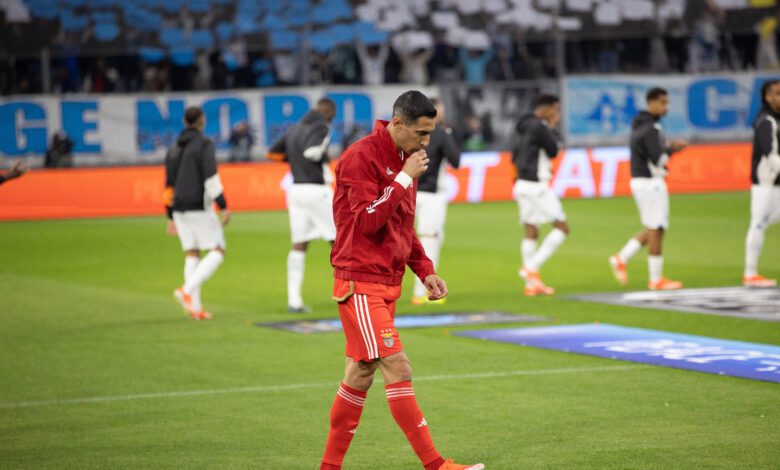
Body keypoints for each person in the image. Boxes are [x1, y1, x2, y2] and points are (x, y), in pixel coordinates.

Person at [321, 91, 484, 470]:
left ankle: (328, 468)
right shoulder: (362, 157)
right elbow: (365, 222)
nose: (426, 142)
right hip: (359, 281)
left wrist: (425, 271)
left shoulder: (401, 158)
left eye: (430, 133)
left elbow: (402, 228)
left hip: (385, 283)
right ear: (397, 124)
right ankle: (436, 465)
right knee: (399, 366)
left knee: (360, 374)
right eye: (421, 133)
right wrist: (402, 179)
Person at [609, 88, 687, 290]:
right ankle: (655, 278)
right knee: (657, 229)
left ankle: (621, 258)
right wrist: (673, 149)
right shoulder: (652, 128)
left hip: (640, 181)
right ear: (651, 102)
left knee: (654, 226)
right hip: (650, 182)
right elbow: (659, 159)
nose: (665, 107)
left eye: (667, 102)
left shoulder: (639, 126)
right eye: (662, 102)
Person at [268, 98, 337, 314]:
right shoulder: (322, 127)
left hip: (296, 190)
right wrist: (320, 155)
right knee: (340, 240)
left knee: (299, 244)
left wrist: (293, 159)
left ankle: (294, 300)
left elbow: (272, 153)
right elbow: (311, 152)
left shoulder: (294, 128)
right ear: (330, 113)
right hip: (316, 189)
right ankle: (352, 292)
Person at [164, 106, 230, 320]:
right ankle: (186, 290)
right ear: (201, 121)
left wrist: (170, 215)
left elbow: (168, 184)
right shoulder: (204, 144)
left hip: (178, 206)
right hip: (198, 205)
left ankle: (195, 309)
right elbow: (210, 177)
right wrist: (223, 205)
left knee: (192, 252)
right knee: (218, 250)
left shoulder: (173, 147)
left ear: (184, 121)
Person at [513, 94, 568, 296]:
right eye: (556, 110)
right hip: (537, 185)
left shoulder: (524, 126)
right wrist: (551, 128)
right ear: (545, 109)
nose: (557, 115)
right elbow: (554, 150)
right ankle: (531, 268)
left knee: (531, 230)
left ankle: (531, 285)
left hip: (521, 184)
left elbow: (514, 153)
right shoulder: (540, 127)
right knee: (562, 227)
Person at [411, 98, 461, 305]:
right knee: (430, 239)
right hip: (432, 194)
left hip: (409, 190)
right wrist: (448, 135)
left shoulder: (411, 132)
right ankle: (422, 292)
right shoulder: (440, 133)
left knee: (418, 238)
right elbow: (455, 161)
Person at [743, 79, 780, 287]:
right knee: (758, 224)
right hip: (766, 183)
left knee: (761, 224)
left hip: (776, 183)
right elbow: (770, 155)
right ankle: (750, 273)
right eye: (777, 93)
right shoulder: (766, 121)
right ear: (767, 97)